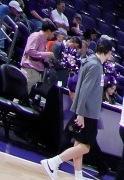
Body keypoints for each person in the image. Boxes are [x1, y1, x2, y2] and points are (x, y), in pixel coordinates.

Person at [41, 34, 112, 176]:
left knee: (78, 144)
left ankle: (78, 176)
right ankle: (53, 162)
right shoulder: (95, 66)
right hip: (88, 112)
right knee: (86, 147)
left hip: (84, 111)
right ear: (108, 52)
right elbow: (85, 90)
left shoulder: (89, 62)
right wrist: (80, 113)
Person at [20, 24, 61, 92]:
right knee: (21, 94)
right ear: (48, 31)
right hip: (29, 71)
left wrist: (48, 61)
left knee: (29, 96)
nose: (53, 36)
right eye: (53, 33)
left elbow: (40, 55)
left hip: (37, 72)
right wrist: (47, 54)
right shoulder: (36, 36)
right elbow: (30, 51)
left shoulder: (44, 40)